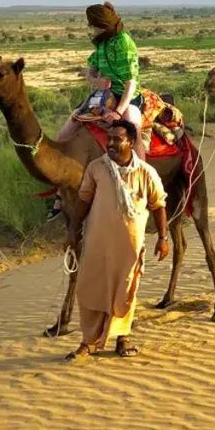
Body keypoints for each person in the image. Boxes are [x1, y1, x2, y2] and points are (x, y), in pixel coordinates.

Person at [63, 120, 169, 360]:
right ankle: (88, 341)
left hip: (128, 247)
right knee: (88, 288)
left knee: (125, 290)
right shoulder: (96, 168)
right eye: (108, 139)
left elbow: (158, 205)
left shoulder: (145, 172)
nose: (110, 144)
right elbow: (83, 200)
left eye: (116, 139)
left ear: (131, 142)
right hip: (97, 243)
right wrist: (72, 232)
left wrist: (163, 238)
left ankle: (123, 337)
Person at [57, 2, 147, 160]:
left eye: (93, 26)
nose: (92, 29)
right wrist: (97, 82)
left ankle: (142, 175)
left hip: (128, 97)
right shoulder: (102, 44)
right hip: (105, 95)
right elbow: (90, 72)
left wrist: (118, 112)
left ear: (101, 25)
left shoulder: (123, 43)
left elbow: (130, 84)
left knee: (134, 131)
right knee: (68, 128)